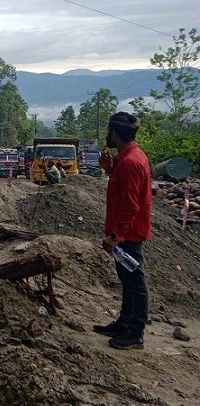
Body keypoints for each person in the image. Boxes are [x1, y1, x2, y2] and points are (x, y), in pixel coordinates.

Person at [93, 112, 151, 350]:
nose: (108, 135)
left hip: (128, 235)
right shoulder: (126, 159)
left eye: (109, 131)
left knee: (135, 282)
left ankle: (135, 332)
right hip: (125, 234)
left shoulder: (130, 163)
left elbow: (130, 205)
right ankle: (124, 322)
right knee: (127, 280)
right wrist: (109, 168)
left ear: (115, 134)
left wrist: (116, 236)